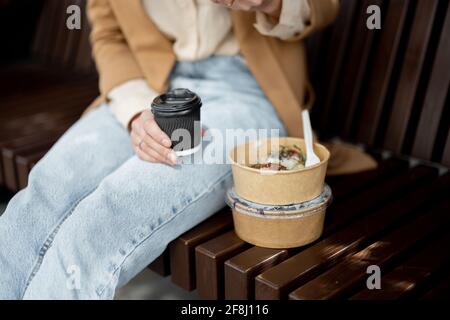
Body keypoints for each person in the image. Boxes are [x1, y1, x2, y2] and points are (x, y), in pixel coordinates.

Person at [0, 0, 374, 299]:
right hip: (148, 88)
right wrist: (135, 112)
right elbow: (109, 37)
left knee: (105, 216)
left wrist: (270, 3)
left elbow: (325, 7)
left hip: (243, 92)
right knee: (43, 190)